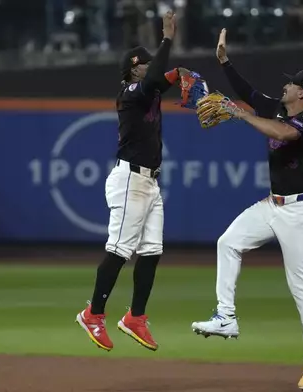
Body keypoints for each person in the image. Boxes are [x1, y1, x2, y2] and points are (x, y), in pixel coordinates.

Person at [190, 28, 303, 390]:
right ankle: (225, 316)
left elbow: (283, 134)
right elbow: (247, 92)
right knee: (228, 242)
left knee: (300, 283)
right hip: (273, 205)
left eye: (291, 85)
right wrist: (224, 61)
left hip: (301, 212)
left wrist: (239, 116)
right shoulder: (276, 107)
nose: (285, 87)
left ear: (302, 93)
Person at [76, 10, 189, 352]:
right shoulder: (130, 91)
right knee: (120, 249)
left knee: (152, 250)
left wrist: (183, 74)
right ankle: (93, 313)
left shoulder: (149, 89)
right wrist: (168, 38)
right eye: (144, 63)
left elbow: (164, 77)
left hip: (150, 183)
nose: (149, 66)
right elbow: (155, 78)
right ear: (133, 68)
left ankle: (135, 318)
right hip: (129, 180)